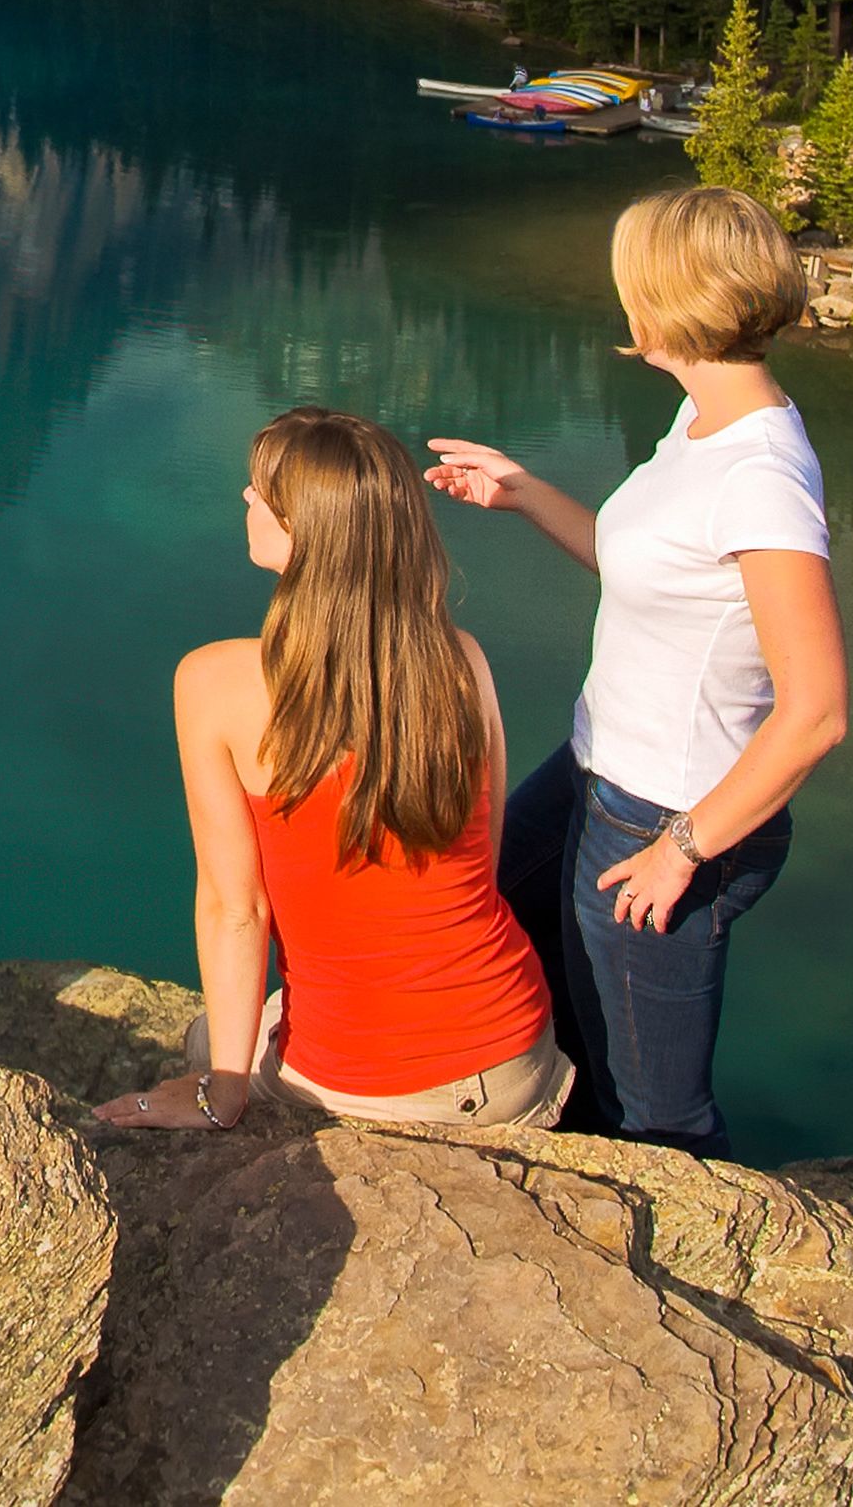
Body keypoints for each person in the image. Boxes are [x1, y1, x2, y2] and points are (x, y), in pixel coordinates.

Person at [427, 184, 848, 1159]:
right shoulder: (702, 422)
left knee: (653, 1104)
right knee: (505, 942)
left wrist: (683, 849)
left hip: (668, 811)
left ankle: (664, 1264)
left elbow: (816, 710)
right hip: (593, 768)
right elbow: (656, 568)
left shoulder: (760, 476)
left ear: (665, 302)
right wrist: (523, 492)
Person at [96, 405, 571, 1136]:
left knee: (206, 1040)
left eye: (264, 492)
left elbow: (236, 910)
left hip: (374, 1084)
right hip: (518, 1056)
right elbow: (481, 864)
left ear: (305, 530)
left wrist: (218, 1096)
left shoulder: (217, 682)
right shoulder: (463, 661)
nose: (247, 499)